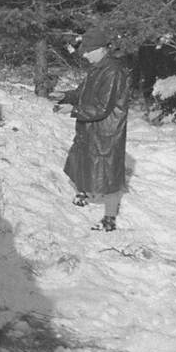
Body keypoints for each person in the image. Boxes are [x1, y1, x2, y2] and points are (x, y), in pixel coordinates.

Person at [52, 27, 130, 232]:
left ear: (100, 49)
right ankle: (84, 193)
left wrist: (74, 109)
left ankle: (109, 220)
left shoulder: (113, 71)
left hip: (106, 132)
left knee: (109, 174)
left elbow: (103, 107)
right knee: (80, 161)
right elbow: (82, 92)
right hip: (90, 127)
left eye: (87, 51)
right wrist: (66, 96)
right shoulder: (98, 68)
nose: (84, 55)